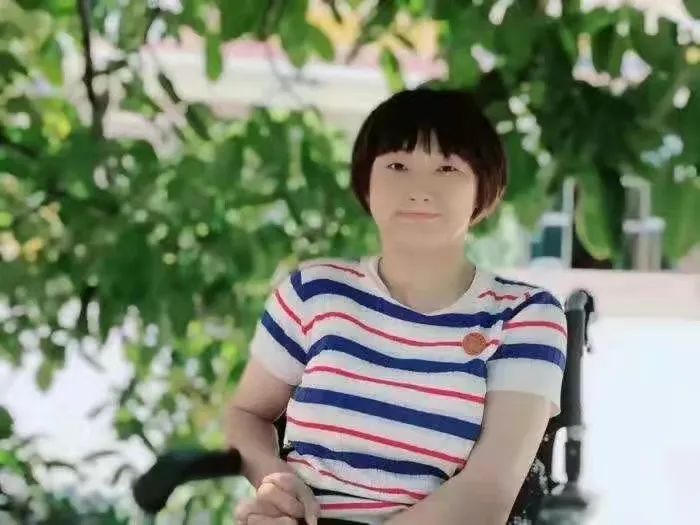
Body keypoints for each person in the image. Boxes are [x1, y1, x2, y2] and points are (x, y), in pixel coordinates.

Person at [225, 87, 567, 525]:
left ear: (484, 187)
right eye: (398, 166)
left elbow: (487, 495)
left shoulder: (525, 315)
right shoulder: (313, 291)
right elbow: (246, 415)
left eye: (447, 168)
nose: (419, 190)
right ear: (366, 182)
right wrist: (274, 482)